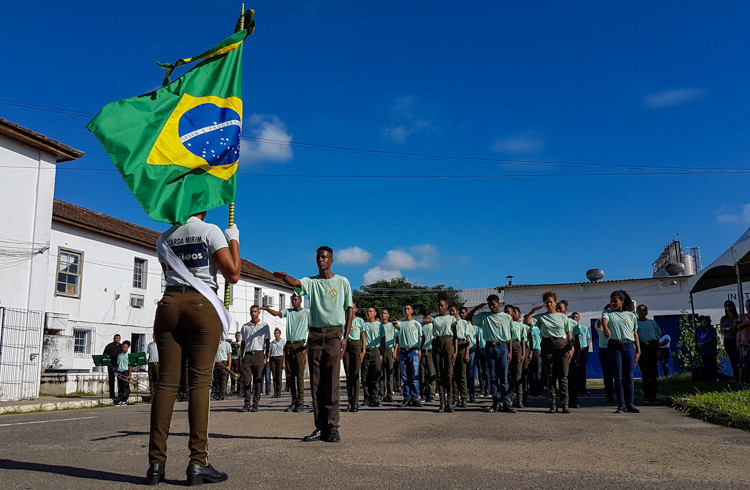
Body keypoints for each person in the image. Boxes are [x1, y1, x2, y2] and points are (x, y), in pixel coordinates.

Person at [147, 212, 241, 487]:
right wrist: (233, 240)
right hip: (202, 303)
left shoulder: (163, 238)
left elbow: (169, 273)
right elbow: (233, 274)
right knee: (199, 383)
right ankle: (197, 462)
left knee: (166, 384)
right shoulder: (210, 231)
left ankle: (155, 464)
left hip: (168, 304)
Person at [273, 246, 354, 443]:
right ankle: (320, 427)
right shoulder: (312, 282)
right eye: (318, 257)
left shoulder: (342, 282)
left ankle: (333, 427)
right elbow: (296, 283)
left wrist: (345, 337)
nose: (321, 260)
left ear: (331, 260)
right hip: (315, 336)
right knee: (316, 384)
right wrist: (285, 277)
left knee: (332, 383)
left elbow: (349, 309)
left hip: (334, 335)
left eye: (324, 257)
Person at [524, 292, 575, 414]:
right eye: (546, 302)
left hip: (561, 344)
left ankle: (565, 403)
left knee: (563, 375)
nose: (549, 304)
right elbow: (526, 322)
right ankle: (552, 403)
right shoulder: (541, 317)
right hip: (547, 345)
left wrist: (571, 347)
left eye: (551, 302)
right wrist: (533, 311)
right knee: (550, 375)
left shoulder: (562, 317)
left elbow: (568, 333)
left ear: (555, 302)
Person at [467, 294, 514, 414]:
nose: (492, 307)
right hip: (489, 347)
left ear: (498, 303)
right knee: (492, 376)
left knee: (503, 376)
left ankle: (507, 402)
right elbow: (468, 317)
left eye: (494, 304)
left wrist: (510, 351)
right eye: (489, 305)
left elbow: (511, 336)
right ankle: (495, 402)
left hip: (502, 347)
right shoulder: (484, 316)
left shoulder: (506, 317)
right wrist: (476, 308)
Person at [262, 294, 309, 412]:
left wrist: (307, 345)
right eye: (292, 300)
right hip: (289, 345)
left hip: (299, 344)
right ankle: (293, 401)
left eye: (296, 300)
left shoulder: (306, 313)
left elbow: (312, 327)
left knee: (299, 375)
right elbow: (277, 314)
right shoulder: (289, 312)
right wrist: (268, 309)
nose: (294, 302)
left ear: (300, 301)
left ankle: (301, 401)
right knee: (290, 375)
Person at [601, 290, 641, 413]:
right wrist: (606, 328)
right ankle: (621, 404)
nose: (612, 303)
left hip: (628, 346)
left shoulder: (631, 316)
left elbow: (635, 333)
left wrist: (638, 350)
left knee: (629, 377)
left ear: (622, 302)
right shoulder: (607, 313)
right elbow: (604, 322)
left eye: (615, 301)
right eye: (611, 301)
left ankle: (630, 404)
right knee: (618, 377)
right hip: (614, 346)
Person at [423, 294, 458, 413]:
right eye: (438, 306)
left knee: (449, 374)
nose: (440, 308)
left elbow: (456, 336)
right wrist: (428, 319)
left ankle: (450, 402)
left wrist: (455, 351)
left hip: (448, 342)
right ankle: (442, 403)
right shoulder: (434, 318)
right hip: (437, 342)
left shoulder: (451, 319)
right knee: (439, 374)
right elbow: (427, 320)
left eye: (442, 306)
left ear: (446, 306)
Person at [239, 305, 271, 412]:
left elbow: (267, 342)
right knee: (246, 381)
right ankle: (246, 403)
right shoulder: (245, 327)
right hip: (248, 355)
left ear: (259, 313)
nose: (253, 313)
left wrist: (266, 356)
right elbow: (243, 342)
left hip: (259, 354)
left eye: (255, 311)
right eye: (252, 311)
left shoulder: (264, 326)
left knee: (258, 380)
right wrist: (241, 355)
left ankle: (255, 403)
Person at [392, 304, 424, 407]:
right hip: (403, 352)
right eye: (404, 309)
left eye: (408, 309)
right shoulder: (401, 324)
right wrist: (394, 324)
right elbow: (396, 325)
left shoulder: (417, 324)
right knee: (405, 377)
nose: (406, 311)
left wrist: (419, 348)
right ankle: (406, 398)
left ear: (412, 311)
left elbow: (422, 337)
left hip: (414, 351)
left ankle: (415, 398)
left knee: (414, 376)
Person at [636, 305, 661, 403]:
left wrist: (658, 350)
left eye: (644, 310)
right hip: (642, 347)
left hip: (652, 346)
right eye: (640, 310)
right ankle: (647, 394)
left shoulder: (652, 322)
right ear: (637, 312)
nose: (642, 312)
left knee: (653, 372)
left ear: (647, 312)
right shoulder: (636, 323)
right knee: (645, 372)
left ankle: (654, 395)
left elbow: (656, 336)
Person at [343, 303, 365, 412]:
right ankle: (349, 401)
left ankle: (355, 402)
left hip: (356, 345)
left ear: (356, 309)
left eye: (353, 307)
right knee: (348, 374)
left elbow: (363, 336)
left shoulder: (360, 321)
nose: (350, 309)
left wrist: (363, 350)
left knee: (355, 373)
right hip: (346, 345)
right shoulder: (343, 321)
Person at [362, 307, 385, 407]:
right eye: (367, 312)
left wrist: (381, 354)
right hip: (365, 351)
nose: (369, 313)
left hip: (376, 351)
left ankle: (375, 398)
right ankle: (367, 398)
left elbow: (383, 340)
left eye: (371, 311)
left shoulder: (379, 325)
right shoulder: (363, 325)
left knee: (376, 375)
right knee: (364, 376)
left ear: (375, 313)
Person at [451, 305, 471, 408]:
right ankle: (455, 398)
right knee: (454, 374)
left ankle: (464, 398)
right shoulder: (449, 323)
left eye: (453, 311)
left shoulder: (463, 322)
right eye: (450, 311)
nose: (451, 313)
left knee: (462, 374)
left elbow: (467, 338)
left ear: (457, 312)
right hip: (452, 346)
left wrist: (467, 353)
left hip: (462, 345)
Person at [568, 312, 590, 408]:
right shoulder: (570, 328)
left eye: (576, 317)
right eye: (573, 317)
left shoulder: (583, 328)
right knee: (573, 373)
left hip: (583, 350)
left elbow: (587, 339)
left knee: (582, 371)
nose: (575, 319)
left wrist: (586, 350)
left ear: (579, 318)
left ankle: (583, 388)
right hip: (574, 350)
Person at [596, 303, 615, 404]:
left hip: (614, 348)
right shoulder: (599, 323)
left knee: (616, 373)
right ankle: (609, 395)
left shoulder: (615, 322)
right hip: (603, 349)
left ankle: (619, 394)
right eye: (606, 311)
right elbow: (600, 329)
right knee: (607, 374)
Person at [508, 306, 527, 408]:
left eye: (514, 312)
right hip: (507, 346)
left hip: (517, 347)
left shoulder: (520, 325)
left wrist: (524, 353)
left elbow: (523, 340)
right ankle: (509, 397)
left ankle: (519, 399)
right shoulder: (507, 323)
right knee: (509, 375)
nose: (513, 314)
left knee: (518, 374)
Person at [719, 300, 740, 381]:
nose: (728, 307)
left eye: (729, 305)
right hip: (727, 340)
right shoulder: (724, 318)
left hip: (735, 339)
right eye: (726, 305)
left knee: (737, 358)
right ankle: (736, 376)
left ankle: (739, 376)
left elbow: (736, 328)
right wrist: (729, 328)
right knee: (732, 359)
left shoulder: (737, 317)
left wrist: (727, 329)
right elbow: (722, 328)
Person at [419, 312, 436, 402]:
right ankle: (423, 394)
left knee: (431, 373)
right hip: (421, 351)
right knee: (422, 374)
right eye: (424, 316)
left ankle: (431, 394)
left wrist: (432, 320)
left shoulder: (433, 325)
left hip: (430, 351)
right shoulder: (420, 325)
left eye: (427, 317)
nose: (426, 319)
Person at [380, 308, 397, 403]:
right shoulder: (378, 326)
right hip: (380, 350)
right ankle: (382, 393)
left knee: (389, 373)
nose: (383, 315)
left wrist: (395, 352)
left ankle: (390, 394)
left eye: (385, 313)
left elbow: (397, 339)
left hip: (389, 350)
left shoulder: (392, 326)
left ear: (388, 315)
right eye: (382, 313)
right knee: (381, 373)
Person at [464, 307, 480, 403]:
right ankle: (463, 395)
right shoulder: (459, 324)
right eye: (461, 313)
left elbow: (476, 339)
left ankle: (472, 394)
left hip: (471, 350)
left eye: (464, 313)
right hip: (461, 350)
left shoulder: (474, 325)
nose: (463, 315)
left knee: (471, 374)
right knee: (462, 374)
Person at [695, 315, 717, 382]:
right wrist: (699, 344)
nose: (704, 323)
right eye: (703, 322)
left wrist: (703, 343)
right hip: (703, 351)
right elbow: (697, 338)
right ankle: (706, 378)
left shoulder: (712, 330)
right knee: (705, 364)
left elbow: (711, 339)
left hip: (711, 350)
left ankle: (713, 378)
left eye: (705, 322)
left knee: (712, 364)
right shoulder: (699, 330)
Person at [103, 334, 122, 402]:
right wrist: (108, 356)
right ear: (114, 339)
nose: (117, 339)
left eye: (118, 338)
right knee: (111, 380)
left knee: (120, 380)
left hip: (119, 365)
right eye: (116, 338)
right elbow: (104, 354)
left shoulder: (121, 346)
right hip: (111, 364)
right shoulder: (109, 346)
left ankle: (120, 394)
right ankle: (112, 394)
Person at [268, 328, 285, 398]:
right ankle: (275, 391)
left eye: (277, 333)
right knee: (274, 376)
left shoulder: (283, 342)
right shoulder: (272, 342)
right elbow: (270, 351)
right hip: (273, 358)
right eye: (275, 333)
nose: (276, 335)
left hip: (280, 358)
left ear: (280, 334)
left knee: (279, 376)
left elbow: (284, 352)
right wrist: (269, 361)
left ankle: (279, 391)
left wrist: (284, 362)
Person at [527, 319, 542, 397]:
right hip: (534, 351)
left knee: (536, 371)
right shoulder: (530, 329)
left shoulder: (535, 329)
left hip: (536, 351)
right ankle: (535, 390)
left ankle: (536, 390)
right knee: (534, 371)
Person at [736, 311, 750, 384]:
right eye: (747, 306)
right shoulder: (742, 317)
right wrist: (745, 323)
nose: (748, 307)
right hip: (744, 342)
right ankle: (742, 382)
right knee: (743, 363)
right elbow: (737, 327)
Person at [116, 340, 132, 406]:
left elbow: (130, 366)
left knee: (126, 386)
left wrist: (129, 374)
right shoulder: (119, 355)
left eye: (125, 347)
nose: (124, 348)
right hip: (120, 371)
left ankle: (125, 399)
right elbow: (118, 363)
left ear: (128, 347)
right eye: (123, 347)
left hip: (125, 371)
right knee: (120, 386)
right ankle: (120, 399)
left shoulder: (129, 355)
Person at [146, 335, 159, 403]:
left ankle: (157, 396)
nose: (155, 337)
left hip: (157, 363)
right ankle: (152, 395)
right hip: (151, 363)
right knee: (151, 379)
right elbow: (148, 354)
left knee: (157, 379)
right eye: (154, 336)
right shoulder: (150, 345)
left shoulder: (160, 344)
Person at [230, 332, 243, 396]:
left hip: (239, 359)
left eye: (238, 335)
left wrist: (237, 344)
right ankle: (232, 390)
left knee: (239, 374)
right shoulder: (234, 343)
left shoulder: (241, 342)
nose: (237, 336)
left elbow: (243, 347)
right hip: (233, 359)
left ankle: (239, 390)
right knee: (232, 374)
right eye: (236, 335)